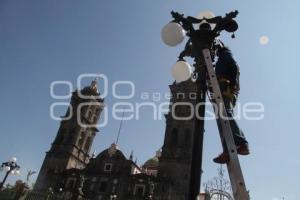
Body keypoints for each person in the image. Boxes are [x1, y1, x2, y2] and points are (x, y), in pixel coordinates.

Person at [213, 45, 250, 164]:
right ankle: (228, 150)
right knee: (222, 117)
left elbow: (232, 65)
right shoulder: (221, 60)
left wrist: (232, 83)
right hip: (224, 86)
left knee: (225, 113)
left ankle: (241, 143)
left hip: (227, 87)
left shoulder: (226, 54)